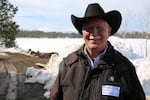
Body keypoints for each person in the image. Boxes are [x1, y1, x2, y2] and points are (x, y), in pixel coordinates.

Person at [50, 3, 145, 100]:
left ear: (109, 31)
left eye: (99, 27)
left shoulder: (124, 67)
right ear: (82, 32)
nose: (94, 33)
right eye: (89, 28)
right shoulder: (68, 65)